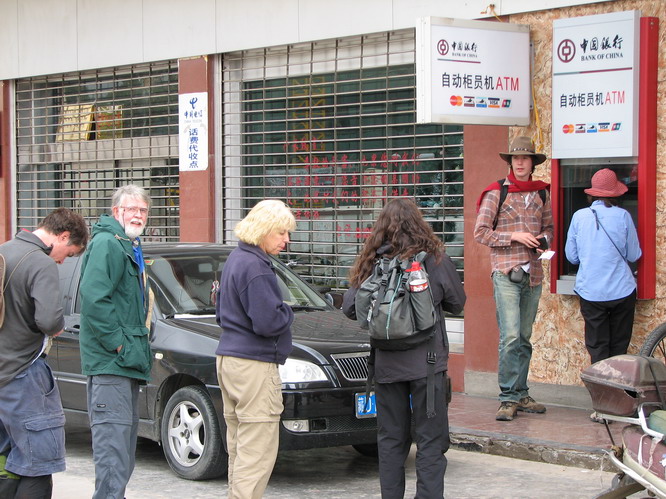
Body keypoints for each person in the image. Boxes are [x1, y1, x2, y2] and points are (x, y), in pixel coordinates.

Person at [342, 198, 466, 499]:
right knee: (430, 442)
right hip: (427, 365)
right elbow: (458, 303)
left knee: (390, 441)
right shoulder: (434, 259)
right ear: (419, 223)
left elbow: (349, 308)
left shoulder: (373, 261)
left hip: (387, 368)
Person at [0, 208, 88, 498]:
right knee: (38, 461)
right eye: (69, 253)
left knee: (6, 457)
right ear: (62, 236)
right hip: (24, 373)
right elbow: (49, 321)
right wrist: (58, 326)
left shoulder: (4, 251)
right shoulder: (41, 263)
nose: (63, 261)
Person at [215, 199, 296, 499]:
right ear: (263, 230)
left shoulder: (236, 258)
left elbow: (221, 314)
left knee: (239, 446)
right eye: (281, 233)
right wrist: (287, 311)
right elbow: (267, 321)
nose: (286, 240)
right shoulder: (256, 267)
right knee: (257, 451)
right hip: (253, 366)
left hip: (229, 359)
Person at [79, 185, 152, 499]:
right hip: (113, 364)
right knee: (113, 458)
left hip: (124, 365)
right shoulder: (109, 243)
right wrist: (121, 345)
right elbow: (95, 301)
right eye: (131, 209)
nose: (137, 215)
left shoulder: (127, 243)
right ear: (115, 211)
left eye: (143, 210)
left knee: (122, 456)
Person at [474, 136, 553, 422]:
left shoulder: (543, 192)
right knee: (509, 337)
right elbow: (480, 232)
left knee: (524, 337)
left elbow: (550, 229)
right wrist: (514, 236)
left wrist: (542, 240)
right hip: (506, 272)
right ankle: (507, 398)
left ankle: (521, 393)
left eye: (525, 158)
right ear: (510, 162)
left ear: (532, 162)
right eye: (515, 159)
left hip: (534, 273)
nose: (520, 163)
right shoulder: (497, 191)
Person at [565, 168, 641, 423]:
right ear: (616, 193)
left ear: (592, 194)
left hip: (592, 291)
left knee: (598, 350)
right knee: (619, 348)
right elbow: (633, 254)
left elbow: (571, 257)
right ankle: (618, 406)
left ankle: (601, 407)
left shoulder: (578, 216)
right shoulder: (624, 216)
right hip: (622, 290)